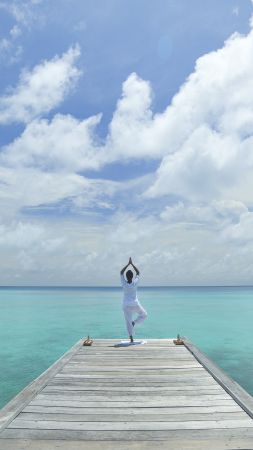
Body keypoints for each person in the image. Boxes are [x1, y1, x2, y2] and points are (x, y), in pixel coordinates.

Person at [120, 257, 147, 343]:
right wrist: (132, 264)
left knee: (128, 321)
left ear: (126, 277)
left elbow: (121, 272)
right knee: (144, 315)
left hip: (126, 305)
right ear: (132, 277)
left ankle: (131, 338)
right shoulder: (135, 282)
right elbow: (138, 272)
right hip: (135, 304)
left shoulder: (124, 283)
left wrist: (128, 264)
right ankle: (134, 322)